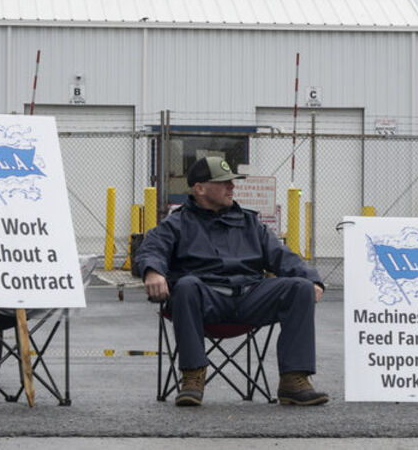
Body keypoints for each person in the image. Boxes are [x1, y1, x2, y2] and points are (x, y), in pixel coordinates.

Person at [133, 156, 328, 407]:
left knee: (300, 288)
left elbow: (283, 257)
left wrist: (312, 280)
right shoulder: (176, 223)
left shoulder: (249, 222)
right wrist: (152, 271)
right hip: (206, 300)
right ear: (200, 188)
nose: (232, 187)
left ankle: (293, 380)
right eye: (224, 182)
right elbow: (151, 251)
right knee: (185, 285)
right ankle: (192, 376)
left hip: (250, 298)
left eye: (232, 182)